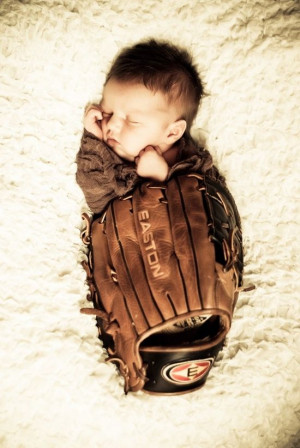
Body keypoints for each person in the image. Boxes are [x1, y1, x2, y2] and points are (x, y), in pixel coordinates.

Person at [76, 39, 223, 214]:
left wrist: (161, 179)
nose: (112, 124)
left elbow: (211, 212)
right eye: (107, 112)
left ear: (172, 132)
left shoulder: (196, 165)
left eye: (133, 121)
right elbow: (97, 201)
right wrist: (94, 140)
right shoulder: (111, 165)